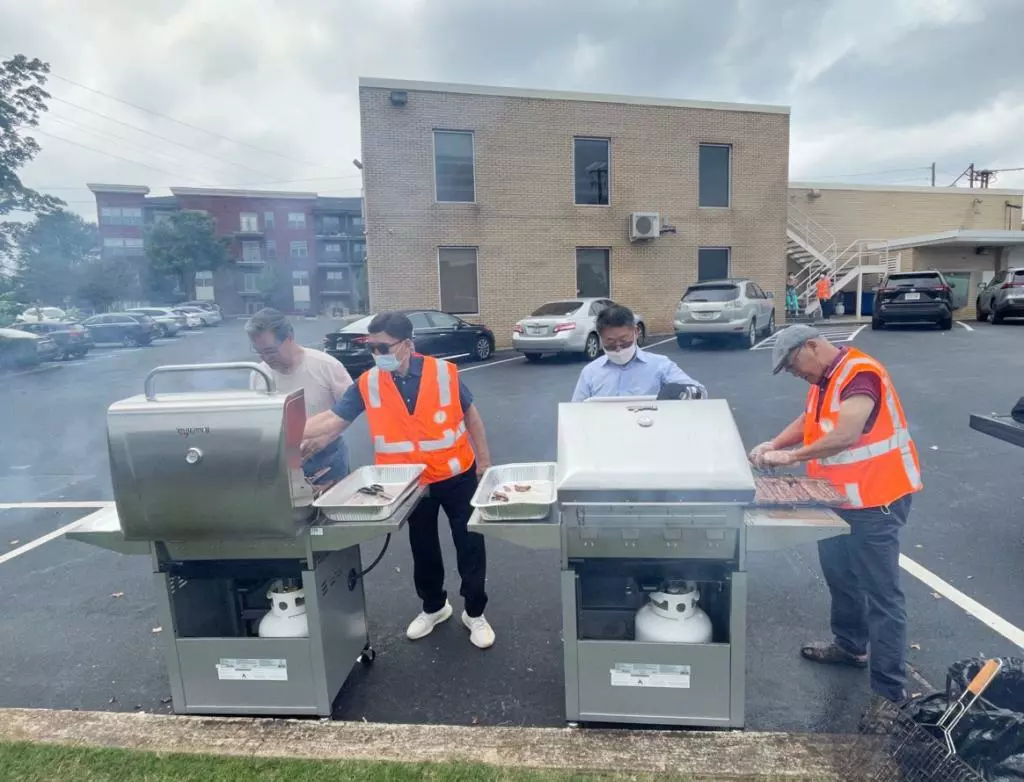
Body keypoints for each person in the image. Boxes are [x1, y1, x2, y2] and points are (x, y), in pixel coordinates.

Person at [749, 324, 923, 730]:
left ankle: (889, 693)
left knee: (883, 596)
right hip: (837, 498)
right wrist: (775, 443)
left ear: (812, 346)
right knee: (841, 577)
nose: (797, 374)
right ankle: (850, 645)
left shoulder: (860, 373)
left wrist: (788, 458)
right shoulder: (827, 378)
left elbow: (845, 434)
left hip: (875, 500)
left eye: (794, 366)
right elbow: (809, 419)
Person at [302, 312, 496, 649]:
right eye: (371, 346)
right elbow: (334, 420)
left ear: (407, 345)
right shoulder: (369, 382)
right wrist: (287, 432)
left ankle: (475, 613)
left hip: (455, 474)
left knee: (469, 544)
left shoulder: (443, 373)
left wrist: (485, 462)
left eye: (382, 346)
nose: (376, 354)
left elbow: (471, 415)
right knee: (423, 548)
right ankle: (434, 607)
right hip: (409, 483)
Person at [246, 308, 352, 491]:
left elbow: (351, 409)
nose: (266, 358)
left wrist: (326, 436)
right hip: (281, 462)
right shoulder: (259, 375)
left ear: (289, 338)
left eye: (270, 351)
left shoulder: (327, 366)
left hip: (327, 457)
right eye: (259, 352)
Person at [571, 305, 706, 401]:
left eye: (624, 340)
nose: (618, 348)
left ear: (636, 332)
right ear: (600, 337)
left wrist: (683, 392)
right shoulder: (590, 372)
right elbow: (575, 411)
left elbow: (701, 393)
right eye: (610, 342)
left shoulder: (660, 365)